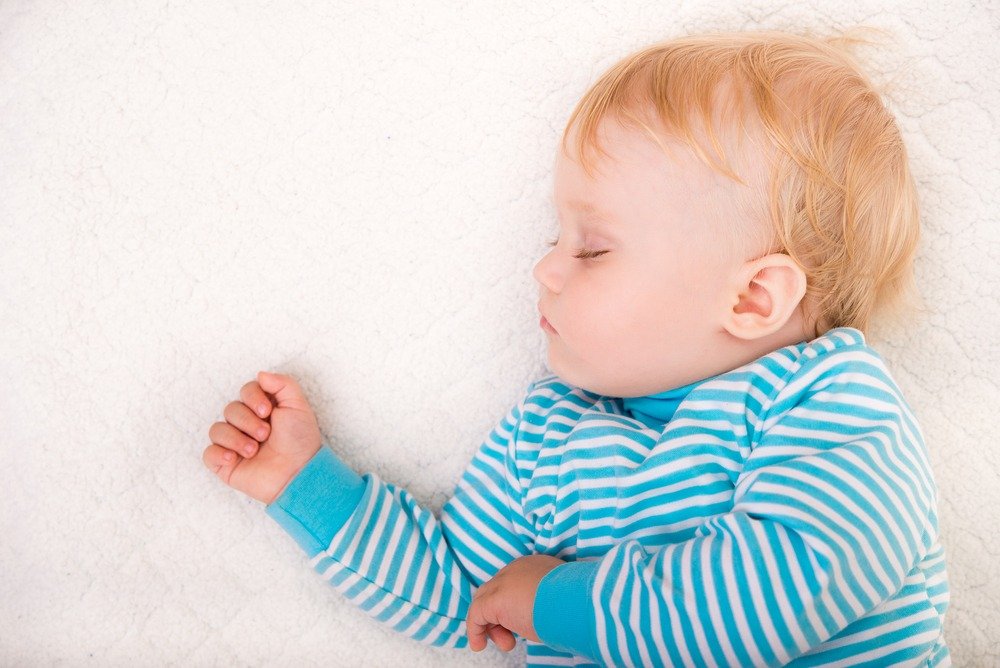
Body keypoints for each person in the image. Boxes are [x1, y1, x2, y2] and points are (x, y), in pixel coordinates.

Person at [203, 28, 949, 666]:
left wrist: (557, 602)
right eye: (555, 237)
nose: (545, 269)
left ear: (752, 299)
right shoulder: (550, 431)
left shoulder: (830, 401)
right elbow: (469, 596)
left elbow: (788, 588)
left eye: (593, 250)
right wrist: (307, 483)